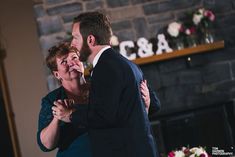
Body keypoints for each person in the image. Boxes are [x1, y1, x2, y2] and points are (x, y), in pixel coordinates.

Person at [37, 42, 160, 157]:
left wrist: (145, 105)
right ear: (57, 74)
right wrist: (57, 119)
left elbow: (124, 119)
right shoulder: (51, 100)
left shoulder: (101, 85)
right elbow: (46, 145)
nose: (71, 63)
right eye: (64, 62)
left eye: (74, 58)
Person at [66, 11, 159, 157]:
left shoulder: (105, 68)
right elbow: (154, 104)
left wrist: (70, 115)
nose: (72, 44)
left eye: (75, 38)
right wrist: (145, 104)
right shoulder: (128, 64)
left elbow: (103, 116)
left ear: (90, 39)